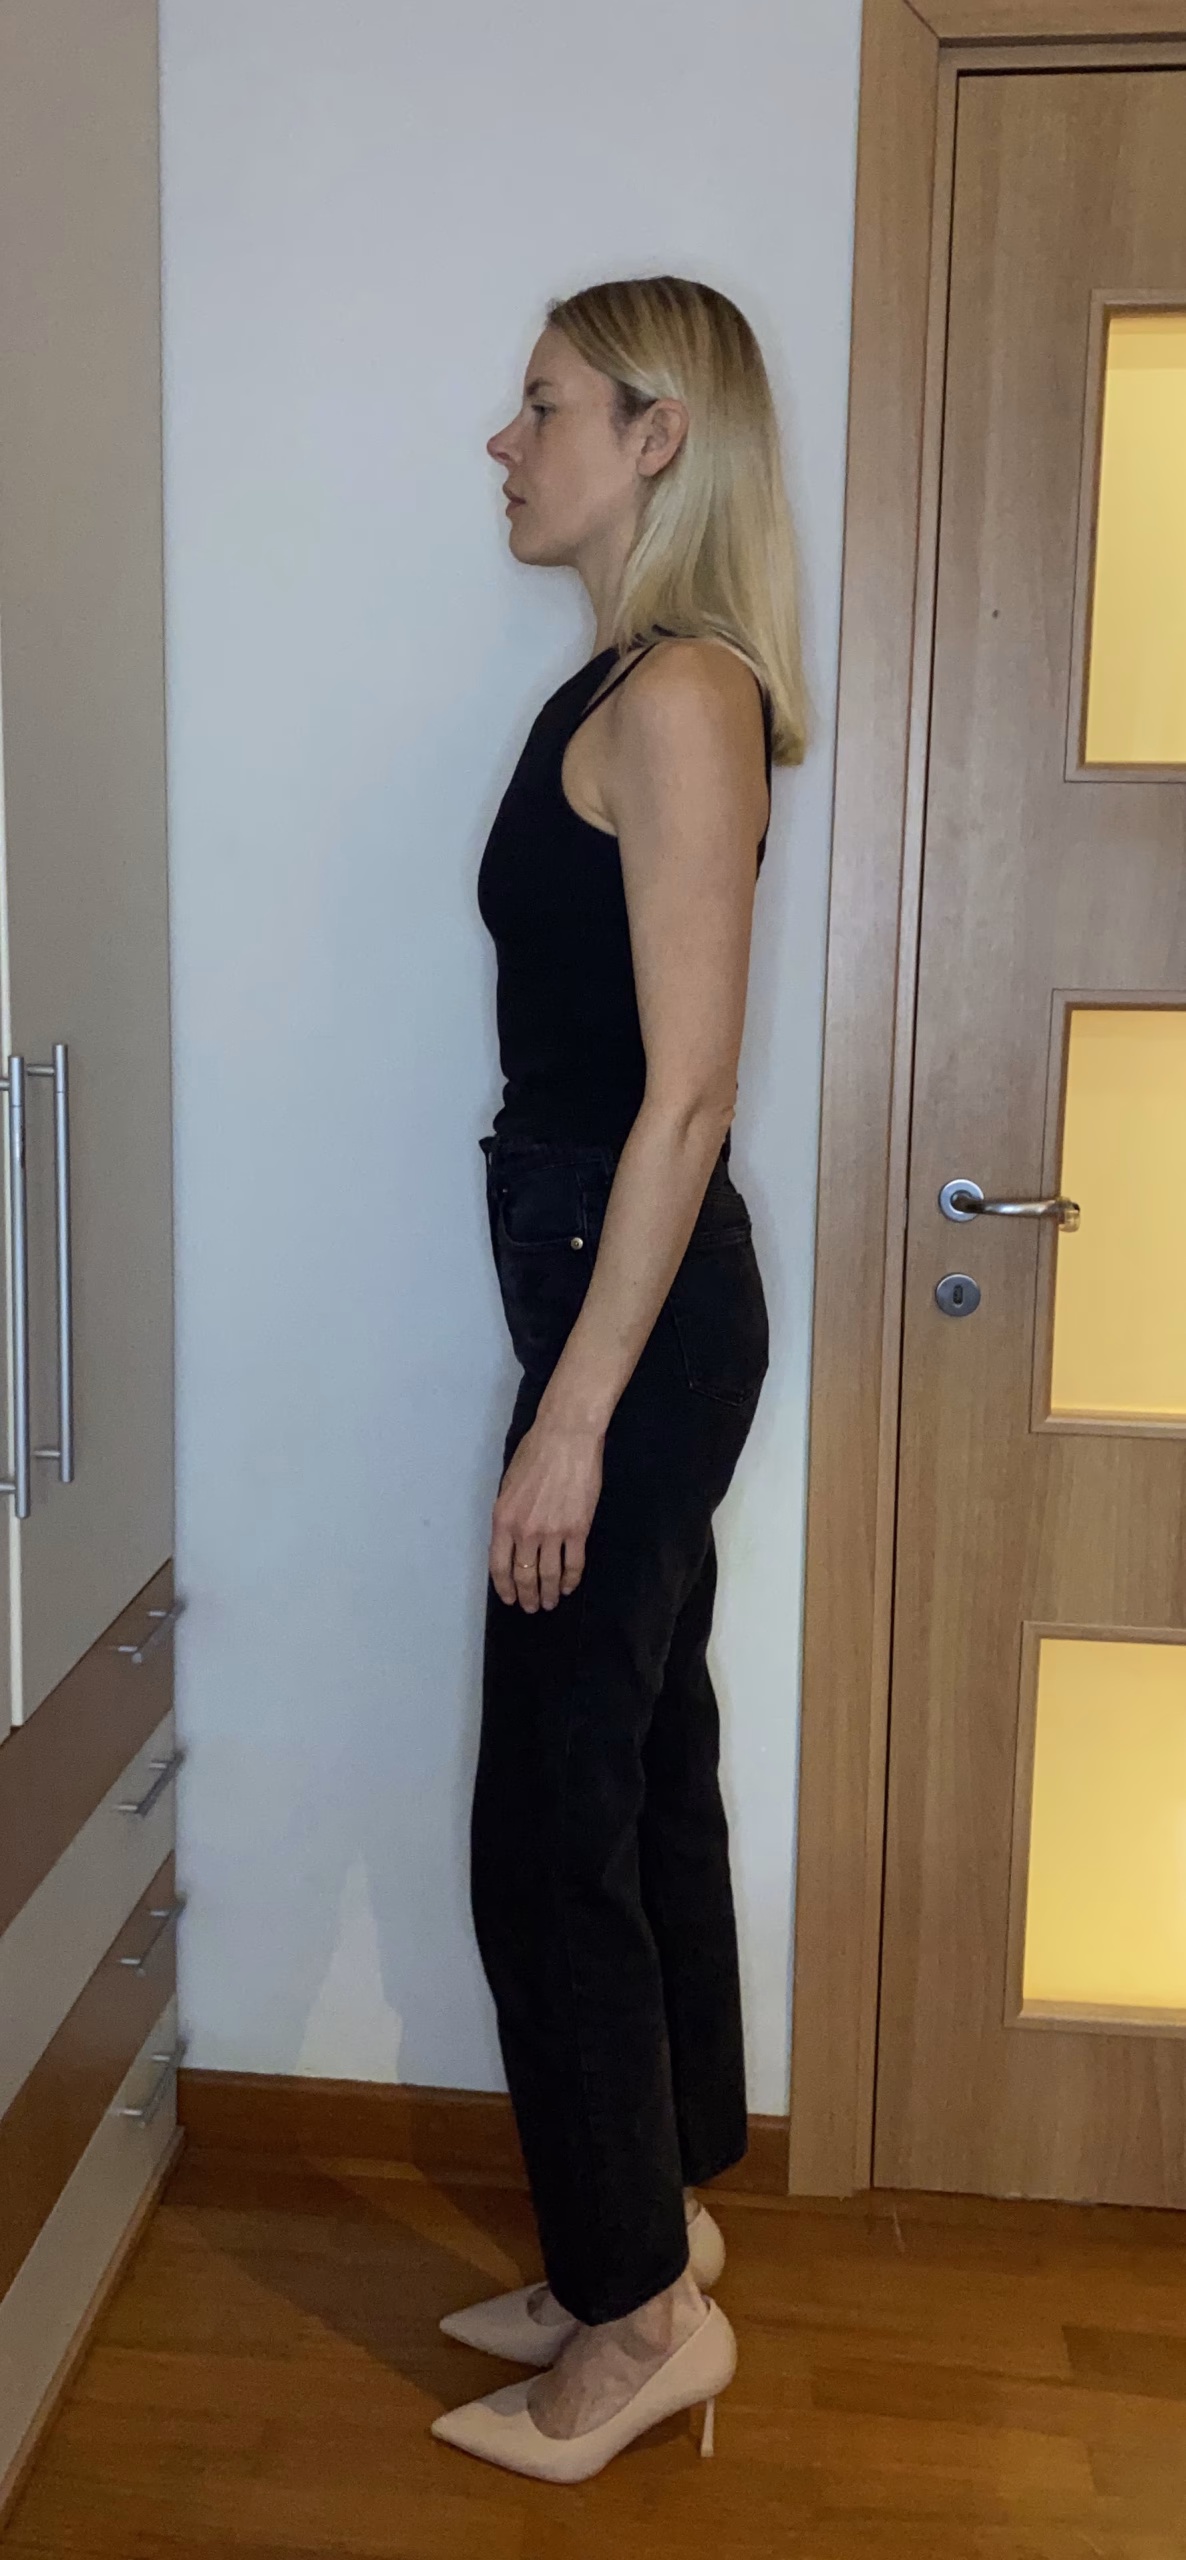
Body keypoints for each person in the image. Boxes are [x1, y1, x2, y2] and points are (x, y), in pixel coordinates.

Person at [431, 274, 806, 2486]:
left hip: (630, 1319)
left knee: (542, 1822)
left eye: (542, 401)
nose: (505, 440)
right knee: (641, 1755)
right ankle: (646, 2225)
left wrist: (570, 1415)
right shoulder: (636, 678)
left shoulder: (679, 693)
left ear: (658, 435)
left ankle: (636, 2318)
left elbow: (685, 1097)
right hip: (611, 1296)